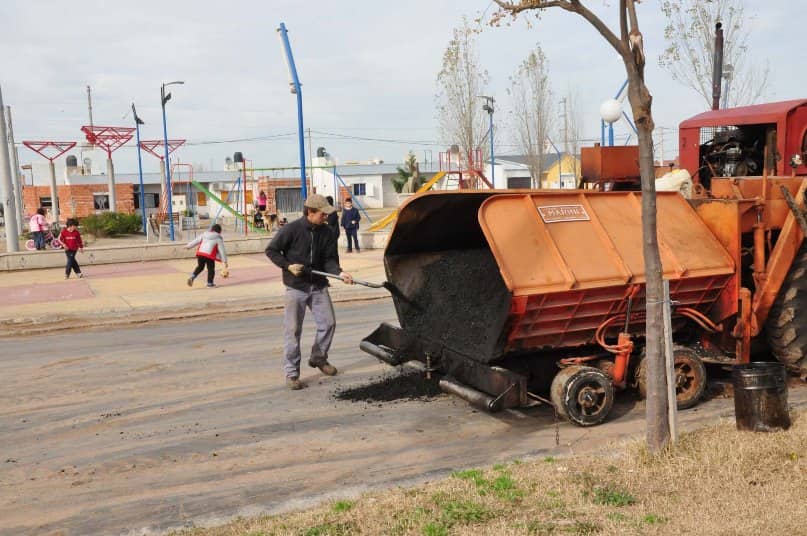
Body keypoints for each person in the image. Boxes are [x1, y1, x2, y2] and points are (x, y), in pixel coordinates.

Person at [266, 194, 354, 390]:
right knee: (293, 330)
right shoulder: (291, 230)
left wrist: (340, 273)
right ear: (310, 212)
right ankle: (292, 373)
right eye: (323, 214)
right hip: (295, 286)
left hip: (318, 286)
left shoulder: (328, 233)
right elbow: (271, 250)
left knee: (329, 323)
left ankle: (318, 358)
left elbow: (330, 260)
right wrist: (288, 266)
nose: (326, 218)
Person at [185, 223, 228, 288]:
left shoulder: (204, 234)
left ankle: (192, 277)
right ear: (219, 231)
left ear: (212, 229)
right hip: (209, 255)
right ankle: (210, 283)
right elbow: (222, 251)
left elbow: (195, 241)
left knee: (200, 267)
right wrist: (224, 261)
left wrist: (188, 246)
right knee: (211, 269)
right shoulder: (218, 238)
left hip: (200, 253)